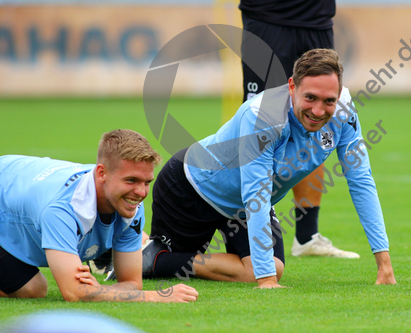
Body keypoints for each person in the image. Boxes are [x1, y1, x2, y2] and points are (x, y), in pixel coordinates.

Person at [137, 49, 396, 288]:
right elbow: (256, 193)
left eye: (329, 101)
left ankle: (156, 257)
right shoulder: (264, 116)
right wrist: (267, 281)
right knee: (253, 270)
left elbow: (362, 182)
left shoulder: (344, 114)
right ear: (292, 87)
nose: (318, 111)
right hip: (192, 189)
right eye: (310, 98)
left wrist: (384, 265)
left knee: (268, 268)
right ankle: (147, 256)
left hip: (240, 206)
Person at [0, 129, 198, 302]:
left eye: (146, 182)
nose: (141, 192)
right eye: (131, 180)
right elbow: (74, 293)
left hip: (17, 183)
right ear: (101, 173)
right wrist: (156, 296)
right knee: (33, 288)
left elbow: (131, 283)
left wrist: (98, 291)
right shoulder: (61, 209)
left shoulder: (131, 205)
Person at [239, 0, 360, 258]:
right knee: (263, 124)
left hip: (317, 19)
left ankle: (307, 236)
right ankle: (251, 222)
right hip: (267, 17)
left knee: (316, 124)